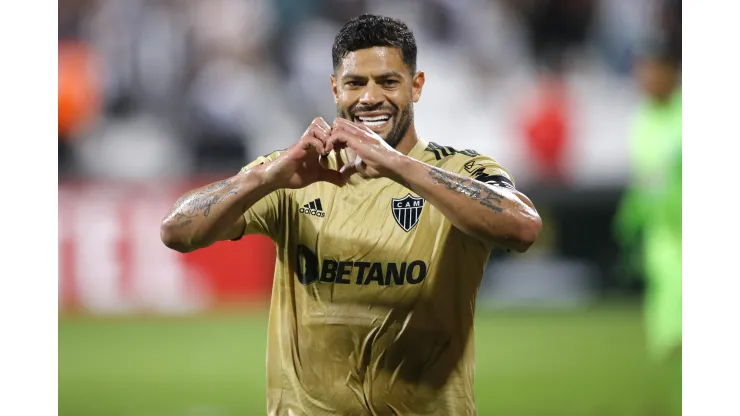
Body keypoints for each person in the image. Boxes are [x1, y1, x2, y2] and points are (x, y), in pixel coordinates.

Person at [161, 14, 542, 415]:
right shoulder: (294, 173)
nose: (370, 97)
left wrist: (397, 164)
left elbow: (522, 227)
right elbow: (177, 230)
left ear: (417, 86)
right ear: (334, 88)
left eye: (388, 82)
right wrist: (265, 177)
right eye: (355, 83)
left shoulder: (459, 170)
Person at [614, 40, 681, 415]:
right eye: (643, 71)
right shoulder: (641, 121)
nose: (647, 79)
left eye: (654, 70)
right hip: (662, 243)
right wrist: (630, 219)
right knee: (672, 341)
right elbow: (645, 182)